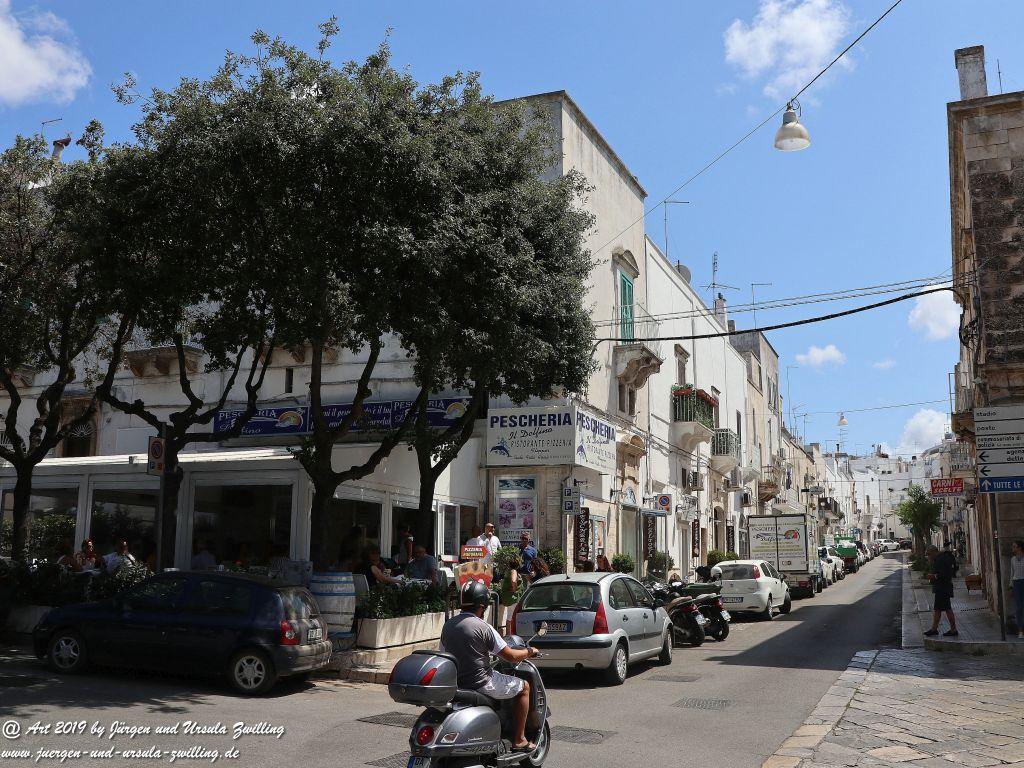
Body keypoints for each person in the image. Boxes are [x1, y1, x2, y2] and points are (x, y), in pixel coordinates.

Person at [440, 580, 539, 753]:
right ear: (482, 605)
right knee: (524, 687)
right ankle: (519, 739)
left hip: (457, 684)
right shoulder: (483, 627)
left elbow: (444, 654)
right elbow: (511, 656)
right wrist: (529, 651)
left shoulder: (448, 626)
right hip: (481, 683)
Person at [924, 544, 958, 637]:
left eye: (929, 554)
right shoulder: (941, 558)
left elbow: (943, 575)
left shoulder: (940, 560)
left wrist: (933, 576)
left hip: (942, 588)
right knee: (939, 609)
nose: (929, 556)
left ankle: (953, 629)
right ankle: (935, 629)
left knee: (946, 609)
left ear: (935, 552)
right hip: (943, 587)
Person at [1011, 539, 1024, 640]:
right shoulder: (1013, 559)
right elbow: (1012, 574)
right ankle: (1020, 630)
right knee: (1018, 607)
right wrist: (1011, 586)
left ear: (1019, 547)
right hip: (1016, 583)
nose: (1013, 548)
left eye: (1015, 546)